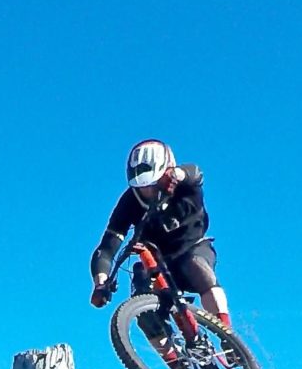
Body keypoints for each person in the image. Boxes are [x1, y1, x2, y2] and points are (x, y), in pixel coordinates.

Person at [89, 138, 231, 327]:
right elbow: (107, 248)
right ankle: (171, 354)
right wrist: (101, 282)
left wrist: (178, 175)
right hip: (158, 261)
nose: (147, 190)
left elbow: (195, 174)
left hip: (193, 249)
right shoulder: (129, 202)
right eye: (141, 187)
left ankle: (227, 335)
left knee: (196, 267)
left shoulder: (185, 186)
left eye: (152, 184)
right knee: (142, 301)